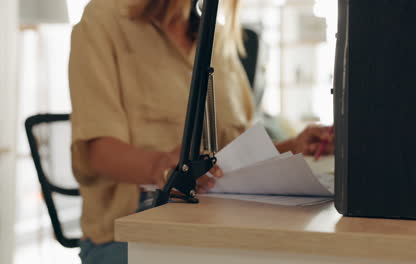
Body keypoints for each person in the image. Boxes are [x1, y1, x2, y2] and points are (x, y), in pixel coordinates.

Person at [69, 0, 333, 263]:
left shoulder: (216, 38)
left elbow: (233, 153)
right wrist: (161, 166)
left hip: (218, 217)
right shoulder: (106, 18)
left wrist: (293, 146)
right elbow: (97, 152)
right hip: (131, 227)